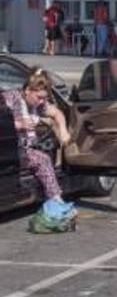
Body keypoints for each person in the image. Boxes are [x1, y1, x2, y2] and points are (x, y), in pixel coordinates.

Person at [2, 69, 76, 215]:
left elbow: (57, 113)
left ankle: (56, 200)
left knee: (42, 158)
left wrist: (63, 130)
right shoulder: (11, 98)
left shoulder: (39, 104)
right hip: (9, 148)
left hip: (24, 149)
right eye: (39, 97)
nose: (42, 101)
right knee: (42, 159)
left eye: (44, 98)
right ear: (28, 90)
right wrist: (19, 125)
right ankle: (56, 201)